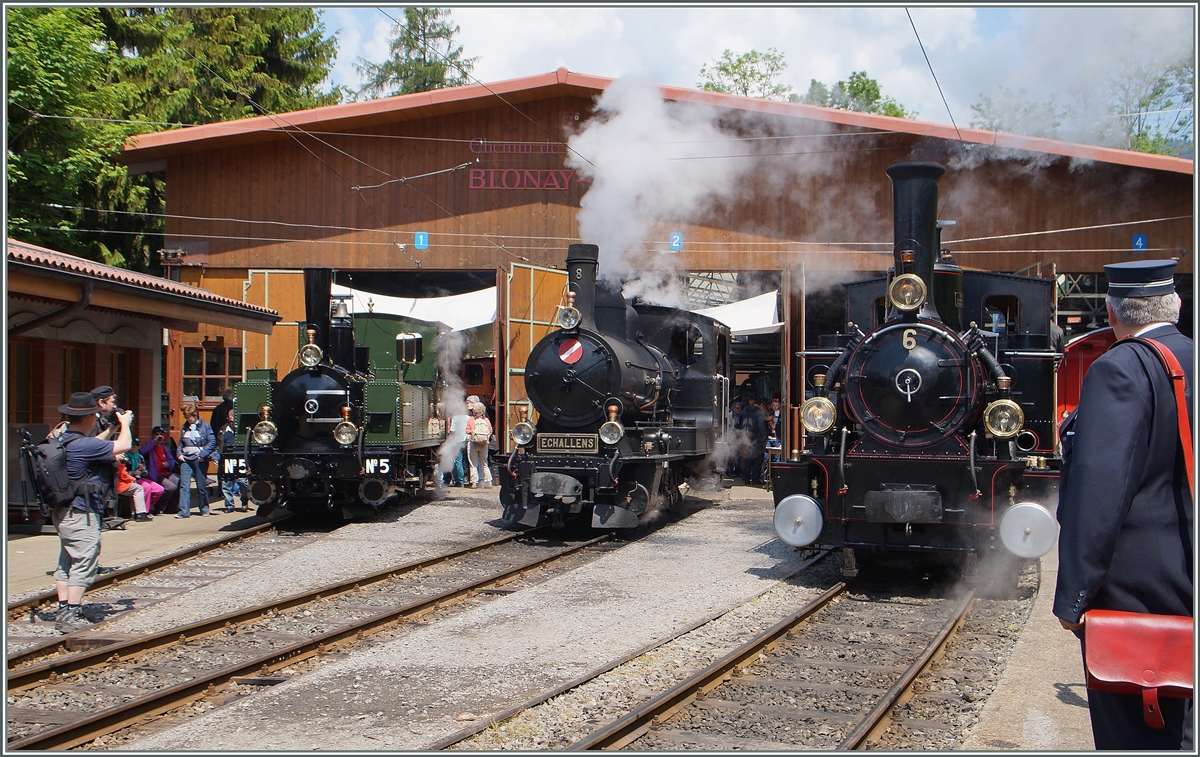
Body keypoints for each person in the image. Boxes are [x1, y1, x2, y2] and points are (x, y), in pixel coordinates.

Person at [1053, 259, 1193, 751]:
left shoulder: (1120, 368)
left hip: (1144, 598)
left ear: (1112, 312)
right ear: (1175, 306)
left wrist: (1073, 598)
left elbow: (1099, 492)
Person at [51, 392, 133, 632]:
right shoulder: (85, 445)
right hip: (81, 511)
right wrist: (125, 425)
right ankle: (72, 613)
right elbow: (124, 445)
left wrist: (111, 428)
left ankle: (64, 606)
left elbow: (96, 442)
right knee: (85, 559)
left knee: (66, 559)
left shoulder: (65, 439)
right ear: (89, 417)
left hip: (63, 511)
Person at [175, 403, 217, 518]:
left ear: (195, 415)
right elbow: (180, 443)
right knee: (184, 485)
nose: (188, 420)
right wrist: (179, 454)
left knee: (201, 485)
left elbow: (212, 442)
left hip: (199, 460)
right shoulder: (185, 427)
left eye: (190, 417)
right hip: (186, 459)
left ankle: (204, 508)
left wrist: (202, 454)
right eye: (186, 417)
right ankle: (184, 511)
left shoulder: (205, 427)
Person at [140, 426, 179, 513]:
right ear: (152, 436)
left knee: (179, 482)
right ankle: (158, 506)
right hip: (155, 475)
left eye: (161, 434)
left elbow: (171, 460)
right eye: (156, 435)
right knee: (171, 487)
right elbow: (142, 451)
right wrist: (154, 441)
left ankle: (171, 508)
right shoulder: (149, 447)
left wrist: (168, 464)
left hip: (166, 472)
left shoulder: (164, 448)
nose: (159, 436)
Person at [217, 408, 249, 513]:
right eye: (230, 421)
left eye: (234, 421)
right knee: (226, 484)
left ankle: (244, 501)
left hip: (241, 459)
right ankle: (229, 505)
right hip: (227, 459)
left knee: (243, 482)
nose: (232, 424)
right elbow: (219, 445)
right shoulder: (223, 430)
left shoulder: (243, 431)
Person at [126, 441, 165, 515]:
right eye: (132, 445)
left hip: (139, 478)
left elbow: (145, 472)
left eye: (136, 445)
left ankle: (146, 507)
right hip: (129, 479)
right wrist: (133, 473)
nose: (134, 447)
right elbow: (123, 473)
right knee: (147, 487)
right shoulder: (125, 457)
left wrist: (142, 471)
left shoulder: (140, 456)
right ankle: (144, 512)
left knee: (159, 489)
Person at [738, 397, 767, 486]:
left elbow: (739, 424)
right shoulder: (758, 412)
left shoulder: (745, 411)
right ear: (760, 405)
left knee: (748, 459)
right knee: (758, 460)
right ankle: (755, 479)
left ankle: (746, 479)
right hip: (757, 439)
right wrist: (763, 438)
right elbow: (762, 427)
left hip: (746, 438)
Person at [466, 403, 493, 488]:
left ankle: (474, 482)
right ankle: (488, 481)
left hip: (473, 443)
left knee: (473, 464)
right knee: (484, 463)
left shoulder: (471, 420)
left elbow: (467, 431)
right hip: (484, 444)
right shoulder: (487, 420)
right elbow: (490, 431)